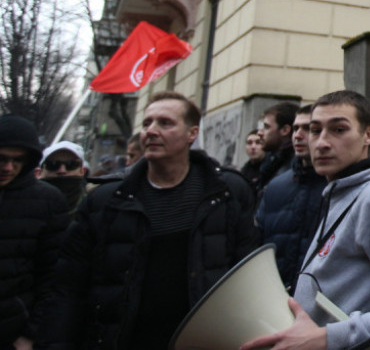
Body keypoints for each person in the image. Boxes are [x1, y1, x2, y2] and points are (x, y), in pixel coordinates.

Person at [45, 91, 258, 349]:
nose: (151, 131)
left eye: (165, 123)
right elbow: (69, 286)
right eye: (147, 123)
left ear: (192, 134)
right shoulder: (106, 200)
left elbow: (248, 280)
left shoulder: (228, 193)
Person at [241, 90, 370, 350]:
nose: (323, 142)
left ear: (368, 135)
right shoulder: (340, 192)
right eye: (315, 131)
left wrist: (328, 338)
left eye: (338, 130)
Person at [0, 115, 71, 350]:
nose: (8, 167)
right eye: (2, 159)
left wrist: (30, 335)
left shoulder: (47, 201)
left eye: (17, 160)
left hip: (14, 333)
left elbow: (53, 276)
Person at [256, 105, 326, 290]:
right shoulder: (275, 186)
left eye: (308, 128)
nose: (298, 135)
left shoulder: (336, 187)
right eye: (296, 128)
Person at [257, 102, 298, 192]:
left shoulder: (295, 167)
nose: (260, 133)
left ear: (285, 130)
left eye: (266, 127)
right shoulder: (270, 161)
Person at [38, 140, 89, 211]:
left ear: (82, 171)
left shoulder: (94, 204)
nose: (62, 171)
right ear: (39, 173)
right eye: (53, 164)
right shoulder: (24, 203)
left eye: (71, 164)